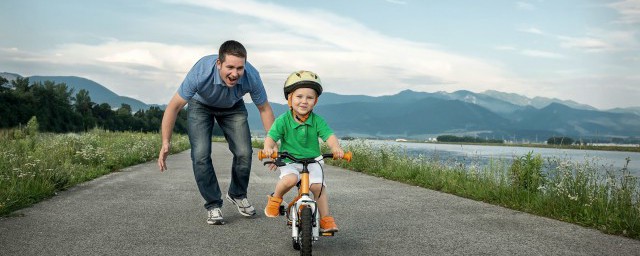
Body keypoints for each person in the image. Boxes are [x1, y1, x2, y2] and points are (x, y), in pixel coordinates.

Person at [157, 40, 275, 225]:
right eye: (230, 67)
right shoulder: (201, 72)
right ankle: (213, 205)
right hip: (200, 105)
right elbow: (174, 106)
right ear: (219, 64)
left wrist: (272, 141)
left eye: (239, 68)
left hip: (233, 106)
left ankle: (237, 194)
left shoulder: (251, 75)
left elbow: (265, 109)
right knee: (201, 154)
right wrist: (166, 141)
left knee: (244, 152)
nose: (235, 74)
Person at [261, 70, 343, 232]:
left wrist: (336, 148)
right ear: (290, 99)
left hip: (313, 160)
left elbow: (329, 136)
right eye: (299, 97)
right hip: (290, 160)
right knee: (290, 179)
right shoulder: (283, 120)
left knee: (318, 187)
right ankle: (275, 199)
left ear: (315, 101)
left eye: (309, 97)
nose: (304, 101)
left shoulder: (317, 121)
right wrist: (268, 148)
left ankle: (326, 219)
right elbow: (271, 137)